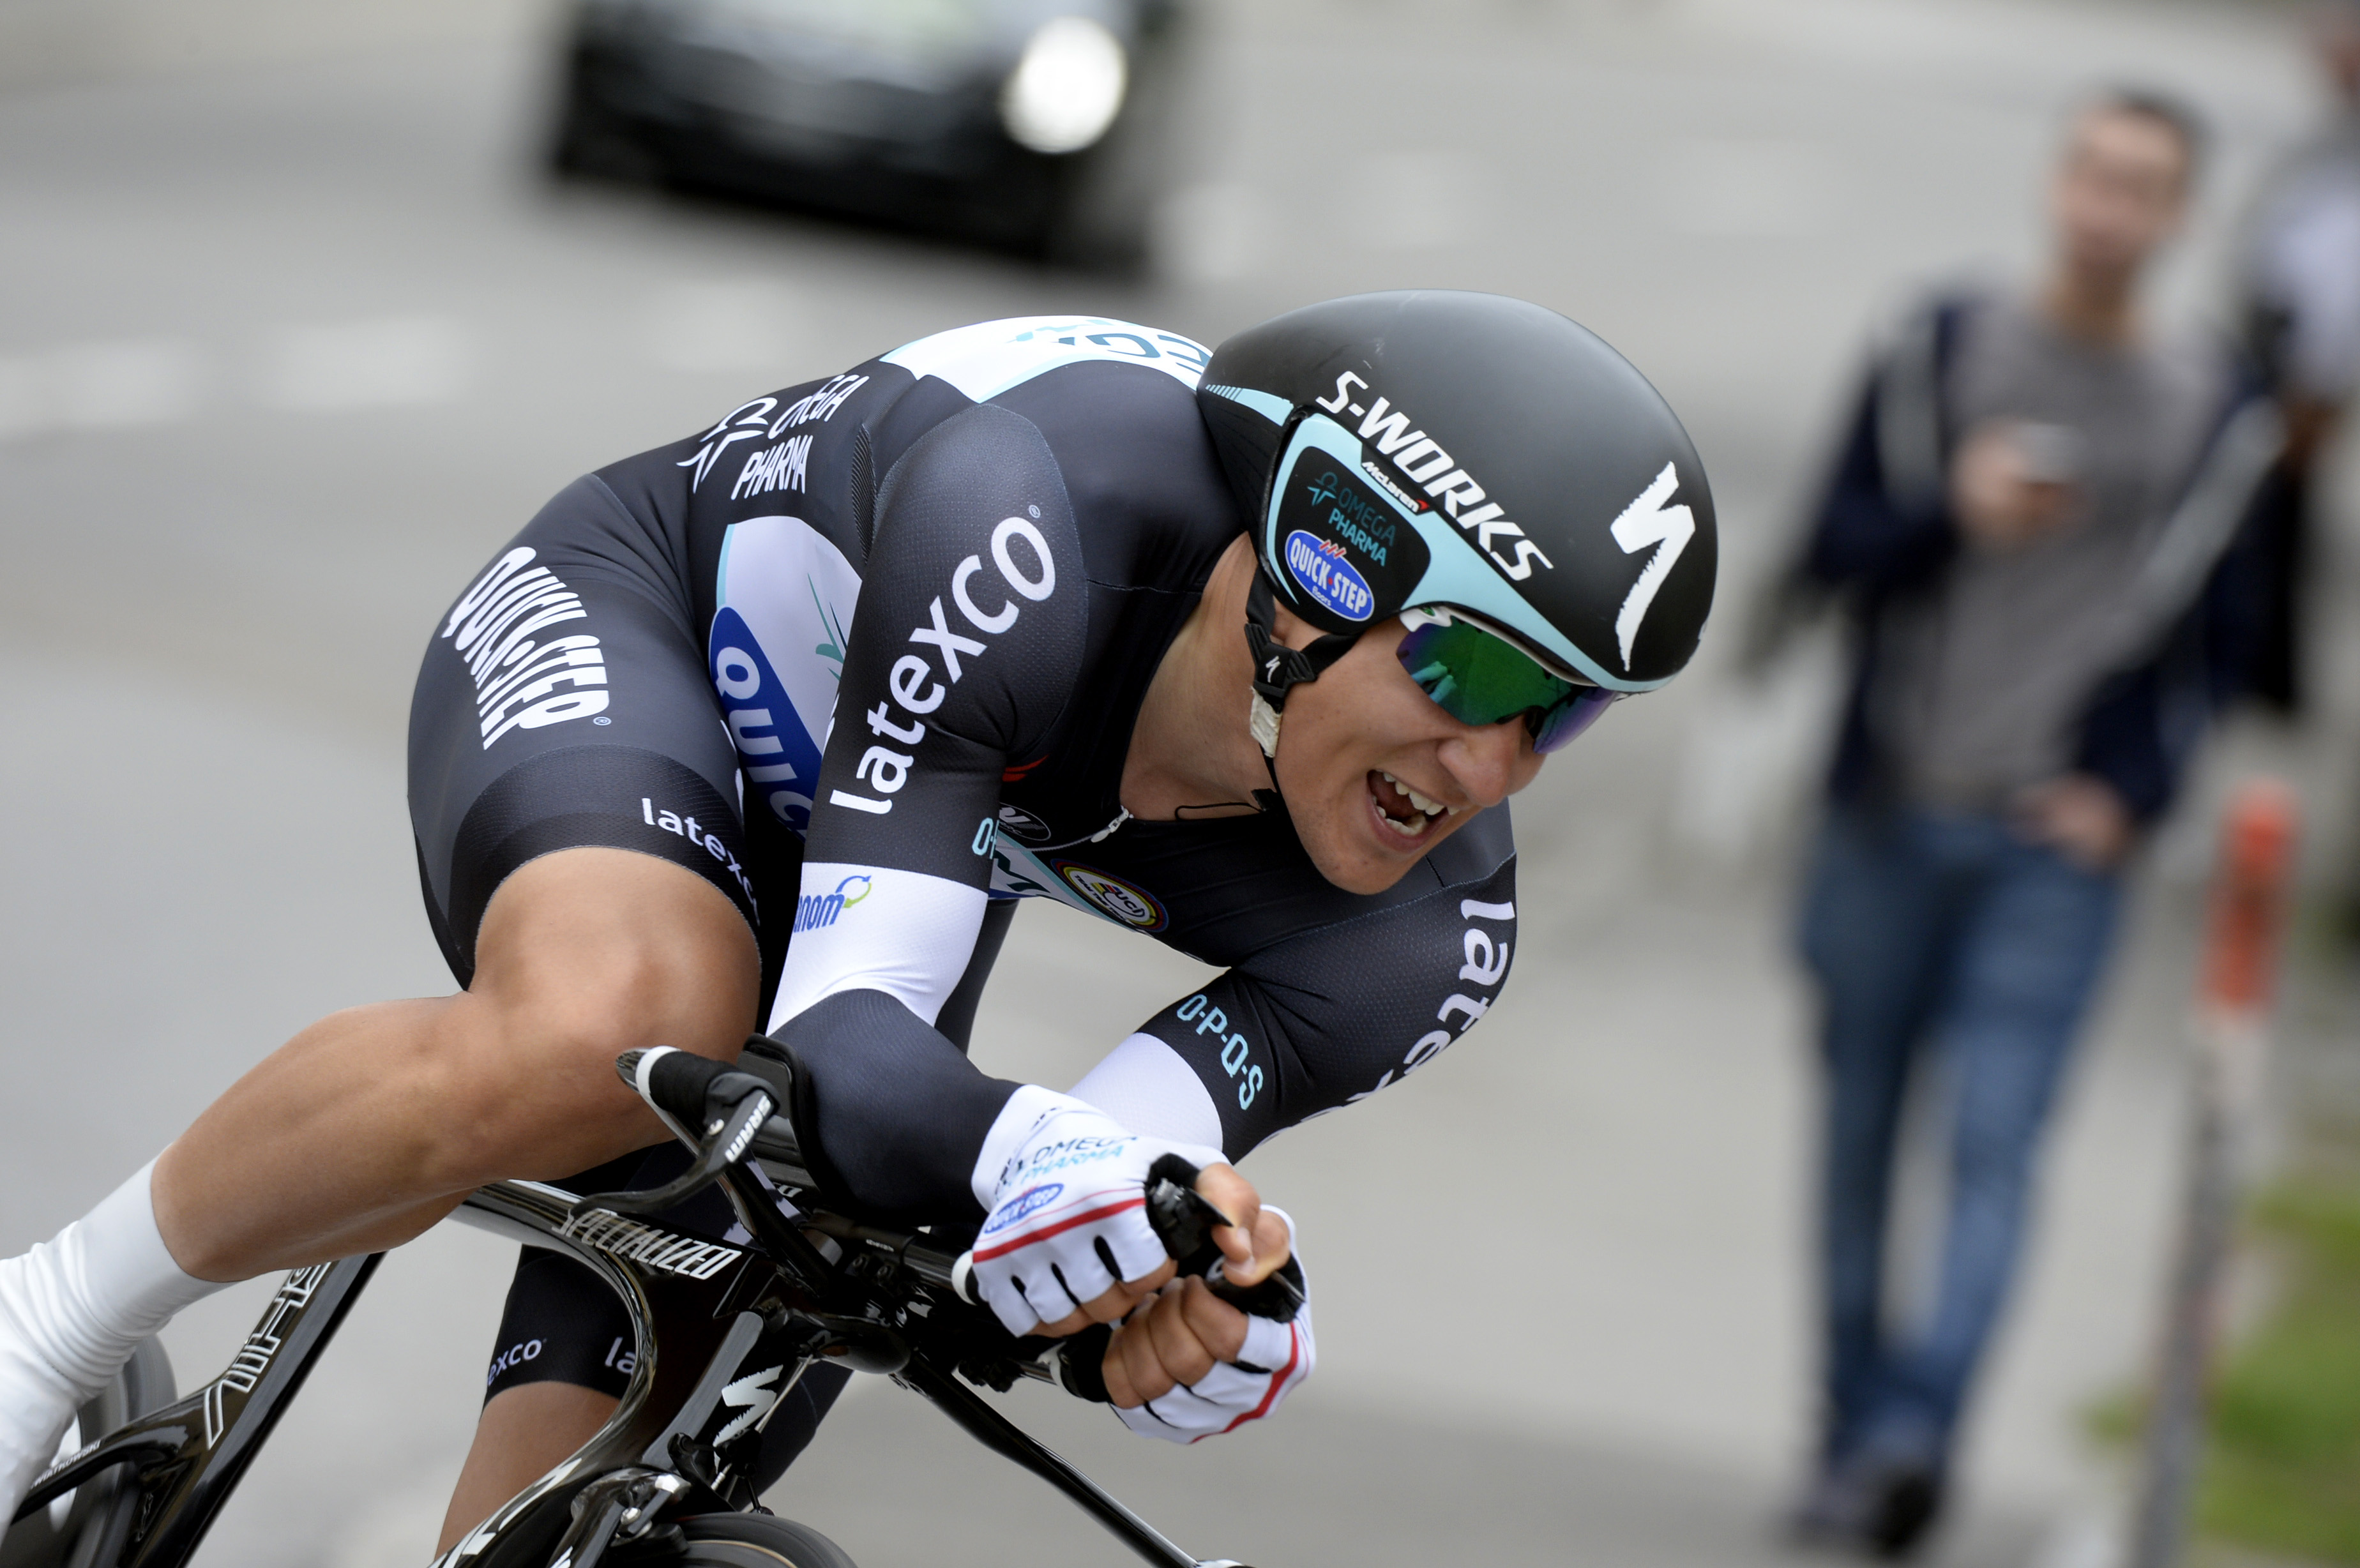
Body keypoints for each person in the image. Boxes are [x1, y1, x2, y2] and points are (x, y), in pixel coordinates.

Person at [0, 291, 1720, 1545]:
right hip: (656, 634)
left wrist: (1163, 1289)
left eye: (1558, 714)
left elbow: (1060, 1186)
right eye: (1475, 669)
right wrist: (1033, 1174)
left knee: (788, 1293)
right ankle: (44, 1324)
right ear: (1319, 571)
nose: (1493, 769)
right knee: (625, 1017)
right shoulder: (1035, 518)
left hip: (911, 824)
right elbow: (842, 1034)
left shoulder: (1427, 928)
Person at [1783, 93, 2277, 1553]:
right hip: (1888, 810)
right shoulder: (1937, 345)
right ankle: (1845, 1422)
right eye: (2095, 174)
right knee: (1859, 1134)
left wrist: (2131, 791)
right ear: (2059, 182)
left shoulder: (2216, 412)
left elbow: (2234, 632)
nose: (2112, 210)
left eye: (2147, 188)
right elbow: (1827, 548)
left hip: (2047, 850)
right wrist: (1954, 506)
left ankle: (1907, 1440)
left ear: (2179, 215)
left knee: (1997, 1144)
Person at [2235, 0, 2360, 714]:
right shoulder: (2333, 137)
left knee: (2284, 531)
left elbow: (2338, 280)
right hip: (2278, 353)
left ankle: (2275, 680)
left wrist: (2315, 385)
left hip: (2306, 372)